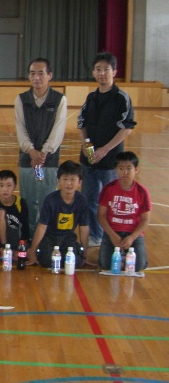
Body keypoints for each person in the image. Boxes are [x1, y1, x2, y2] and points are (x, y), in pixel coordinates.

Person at [77, 52, 136, 247]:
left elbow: (127, 127)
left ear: (114, 71)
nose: (102, 73)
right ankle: (95, 237)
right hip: (90, 161)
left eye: (106, 69)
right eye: (98, 69)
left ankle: (111, 239)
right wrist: (87, 145)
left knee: (111, 202)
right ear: (93, 72)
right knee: (90, 201)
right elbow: (82, 123)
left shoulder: (121, 98)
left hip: (112, 162)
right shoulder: (91, 97)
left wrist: (105, 149)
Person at [15, 58, 67, 234]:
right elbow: (20, 128)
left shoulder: (59, 99)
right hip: (27, 160)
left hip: (48, 161)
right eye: (32, 73)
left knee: (46, 200)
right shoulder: (21, 99)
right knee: (28, 200)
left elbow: (58, 131)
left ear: (49, 75)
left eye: (40, 73)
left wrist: (43, 153)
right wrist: (30, 151)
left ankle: (44, 237)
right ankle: (28, 236)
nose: (36, 77)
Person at [26, 160, 89, 268]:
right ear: (59, 181)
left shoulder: (82, 200)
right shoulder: (50, 200)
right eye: (65, 179)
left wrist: (85, 252)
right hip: (49, 237)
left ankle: (76, 249)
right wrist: (33, 251)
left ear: (79, 182)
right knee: (46, 261)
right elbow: (41, 227)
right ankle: (32, 250)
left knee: (75, 262)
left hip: (68, 237)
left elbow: (84, 228)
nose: (68, 183)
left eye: (73, 179)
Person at [98, 151, 150, 271]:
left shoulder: (142, 191)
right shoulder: (108, 189)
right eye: (121, 168)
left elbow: (145, 220)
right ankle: (117, 255)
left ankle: (126, 255)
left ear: (136, 169)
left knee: (139, 266)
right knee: (105, 264)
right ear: (116, 169)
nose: (125, 172)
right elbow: (101, 215)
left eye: (129, 168)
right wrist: (113, 236)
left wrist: (132, 237)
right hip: (112, 232)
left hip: (134, 234)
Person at [0, 170, 30, 258]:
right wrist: (0, 249)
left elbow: (25, 229)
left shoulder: (21, 203)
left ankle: (11, 252)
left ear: (15, 187)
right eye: (1, 185)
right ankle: (4, 250)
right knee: (0, 213)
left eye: (9, 185)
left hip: (15, 240)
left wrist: (21, 248)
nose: (5, 189)